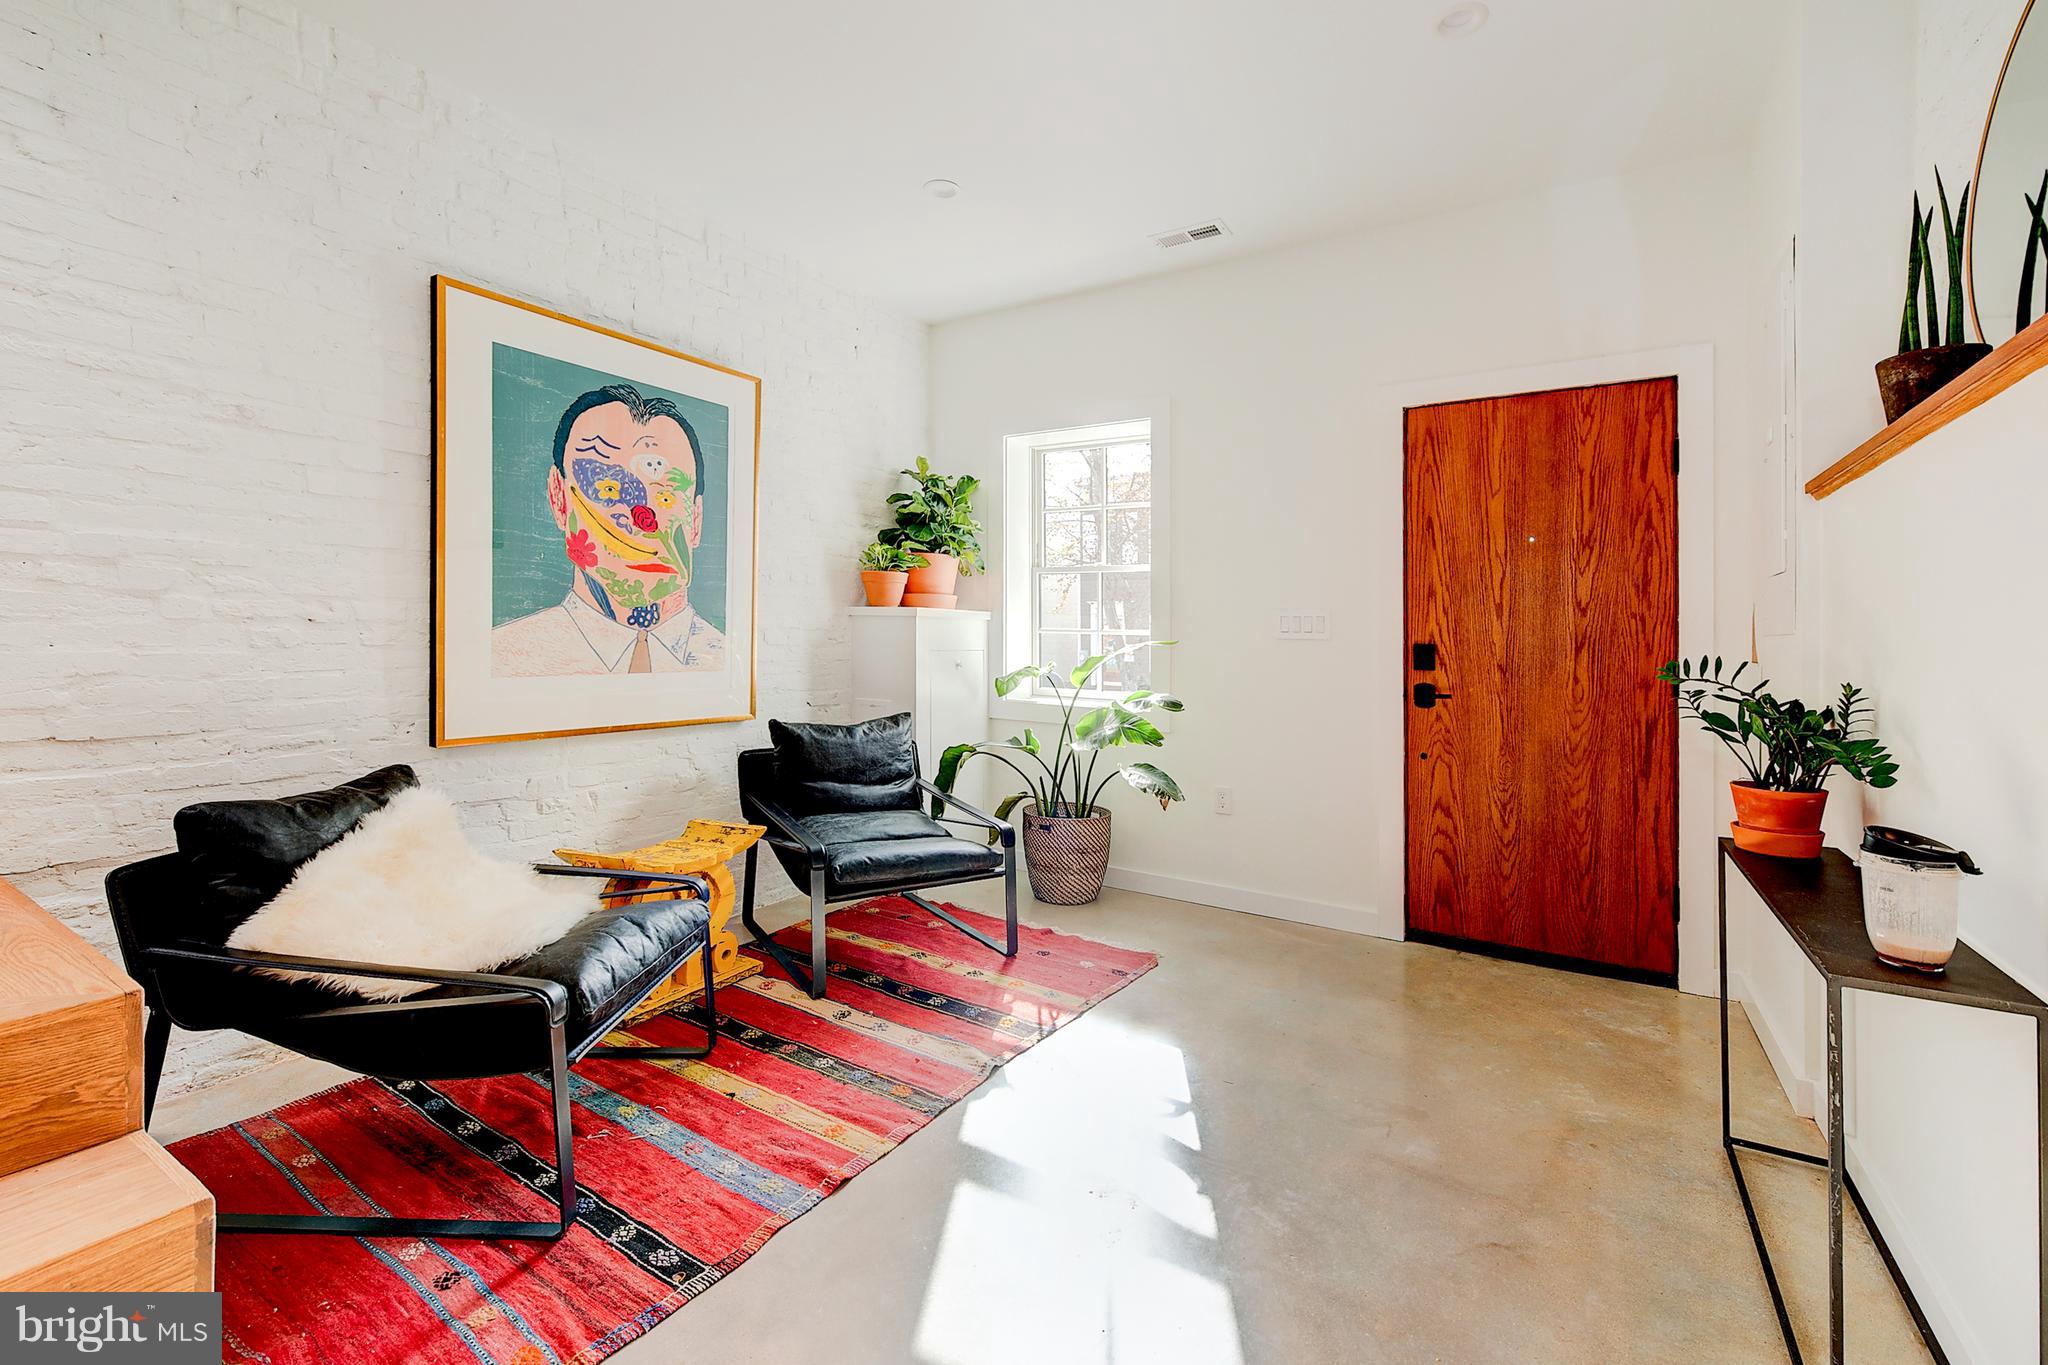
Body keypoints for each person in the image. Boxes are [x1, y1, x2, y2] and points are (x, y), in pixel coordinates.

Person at [491, 383, 725, 676]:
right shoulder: (502, 661)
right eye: (607, 487)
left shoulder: (729, 666)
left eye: (666, 494)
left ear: (696, 521)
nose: (639, 518)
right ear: (559, 498)